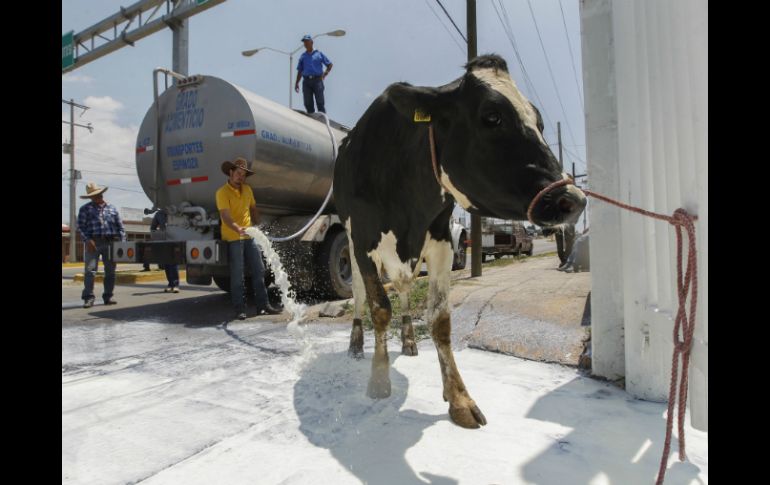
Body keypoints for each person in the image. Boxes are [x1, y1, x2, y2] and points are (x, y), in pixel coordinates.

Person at [216, 158, 282, 320]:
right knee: (238, 274)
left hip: (250, 236)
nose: (241, 177)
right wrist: (236, 228)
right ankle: (239, 309)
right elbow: (225, 216)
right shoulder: (221, 193)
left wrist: (259, 226)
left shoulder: (247, 190)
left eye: (243, 175)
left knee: (259, 270)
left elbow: (253, 209)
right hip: (233, 237)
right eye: (238, 173)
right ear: (231, 173)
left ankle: (263, 305)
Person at [77, 182, 125, 308]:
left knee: (110, 272)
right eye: (93, 196)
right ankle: (88, 298)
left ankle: (108, 296)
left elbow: (120, 228)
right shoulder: (85, 209)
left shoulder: (112, 208)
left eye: (98, 194)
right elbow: (80, 227)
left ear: (101, 194)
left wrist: (121, 244)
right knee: (90, 271)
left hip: (110, 243)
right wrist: (87, 240)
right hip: (93, 244)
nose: (96, 197)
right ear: (90, 197)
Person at [294, 34, 333, 114]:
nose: (305, 43)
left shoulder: (319, 53)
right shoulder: (303, 56)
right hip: (306, 81)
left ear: (311, 42)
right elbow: (300, 70)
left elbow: (329, 64)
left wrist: (325, 73)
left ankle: (322, 119)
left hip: (317, 80)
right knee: (308, 103)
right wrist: (297, 82)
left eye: (307, 41)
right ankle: (311, 117)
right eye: (304, 42)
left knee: (320, 102)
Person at [151, 209, 179, 293]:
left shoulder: (177, 212)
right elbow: (153, 228)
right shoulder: (159, 214)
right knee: (166, 264)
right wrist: (158, 237)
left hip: (175, 241)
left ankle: (175, 285)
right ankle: (170, 284)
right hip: (164, 241)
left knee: (173, 263)